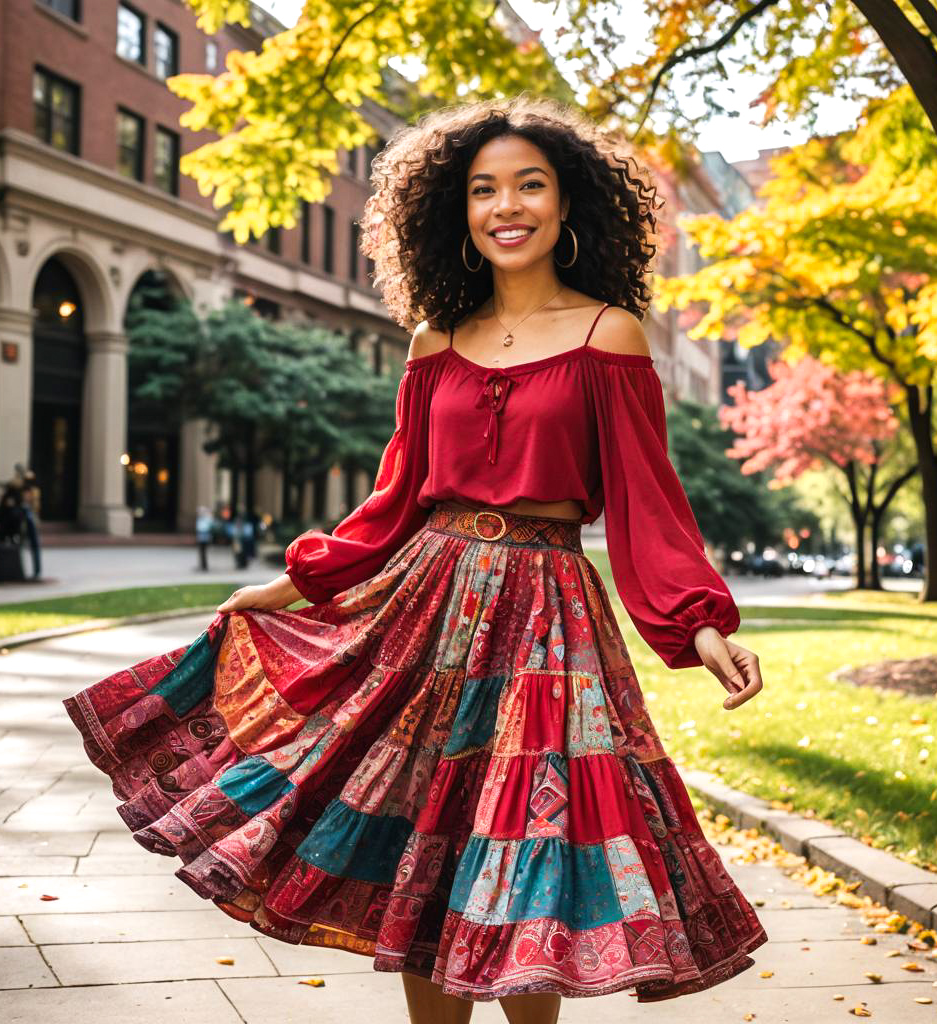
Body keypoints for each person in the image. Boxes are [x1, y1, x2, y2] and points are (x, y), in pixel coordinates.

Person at [62, 95, 767, 1023]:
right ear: (458, 213)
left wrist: (700, 625)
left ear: (567, 207)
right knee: (429, 847)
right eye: (483, 190)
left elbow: (647, 501)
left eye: (530, 185)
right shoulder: (433, 341)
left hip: (546, 621)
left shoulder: (610, 335)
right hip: (424, 612)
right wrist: (294, 584)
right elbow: (396, 500)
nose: (506, 206)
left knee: (524, 848)